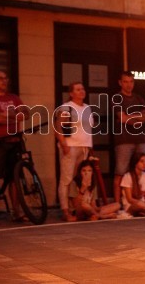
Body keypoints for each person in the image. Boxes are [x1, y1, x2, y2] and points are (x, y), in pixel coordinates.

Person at [0, 70, 30, 225]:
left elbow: (26, 113)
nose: (4, 81)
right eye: (0, 78)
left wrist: (5, 114)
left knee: (14, 178)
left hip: (15, 140)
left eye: (5, 78)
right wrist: (14, 114)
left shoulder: (14, 97)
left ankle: (16, 212)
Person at [55, 81, 93, 222]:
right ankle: (65, 211)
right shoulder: (67, 107)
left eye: (82, 89)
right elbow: (58, 126)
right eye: (78, 89)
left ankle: (77, 208)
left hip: (84, 147)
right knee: (66, 179)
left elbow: (88, 129)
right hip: (71, 147)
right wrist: (64, 144)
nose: (81, 91)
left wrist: (90, 147)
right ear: (71, 93)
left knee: (79, 179)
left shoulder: (87, 108)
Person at [112, 71, 145, 206]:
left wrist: (131, 118)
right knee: (120, 172)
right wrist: (137, 118)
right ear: (120, 83)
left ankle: (142, 201)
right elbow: (122, 118)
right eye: (126, 82)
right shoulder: (117, 98)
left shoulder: (139, 99)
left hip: (139, 139)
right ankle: (117, 205)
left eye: (131, 82)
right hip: (124, 140)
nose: (129, 85)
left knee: (142, 170)